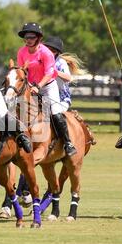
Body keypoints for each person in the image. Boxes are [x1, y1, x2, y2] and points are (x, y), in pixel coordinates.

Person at [17, 23, 76, 156]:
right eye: (26, 37)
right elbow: (22, 71)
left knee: (55, 112)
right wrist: (28, 86)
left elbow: (49, 73)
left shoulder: (46, 53)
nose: (28, 39)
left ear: (38, 38)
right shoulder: (21, 52)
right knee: (18, 109)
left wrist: (38, 86)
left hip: (48, 86)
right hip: (30, 87)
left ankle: (67, 143)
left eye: (32, 37)